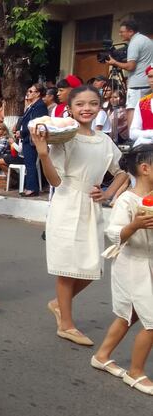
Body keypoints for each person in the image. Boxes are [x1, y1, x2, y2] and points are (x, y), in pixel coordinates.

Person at [33, 86, 129, 346]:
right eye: (80, 104)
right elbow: (55, 180)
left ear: (100, 107)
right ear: (70, 108)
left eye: (93, 103)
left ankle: (57, 305)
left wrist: (108, 194)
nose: (87, 108)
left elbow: (122, 171)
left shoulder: (104, 140)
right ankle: (66, 323)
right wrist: (43, 153)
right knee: (68, 268)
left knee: (91, 268)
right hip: (67, 205)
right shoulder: (64, 139)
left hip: (91, 207)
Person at [92, 145, 153, 394]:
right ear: (145, 169)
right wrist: (136, 224)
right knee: (152, 321)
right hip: (132, 263)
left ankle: (102, 355)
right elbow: (115, 233)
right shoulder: (127, 200)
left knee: (130, 314)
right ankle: (136, 371)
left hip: (150, 263)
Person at [107, 20, 153, 113]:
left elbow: (130, 66)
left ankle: (132, 128)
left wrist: (114, 62)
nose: (120, 34)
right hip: (147, 83)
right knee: (144, 112)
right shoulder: (146, 40)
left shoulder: (134, 42)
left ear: (131, 32)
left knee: (132, 111)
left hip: (137, 85)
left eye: (122, 32)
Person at [14, 83, 49, 196]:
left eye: (31, 91)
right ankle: (29, 186)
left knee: (30, 163)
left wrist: (22, 132)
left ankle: (32, 188)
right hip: (27, 137)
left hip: (32, 138)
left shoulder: (39, 106)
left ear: (38, 93)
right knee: (29, 163)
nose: (28, 93)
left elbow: (35, 124)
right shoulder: (32, 105)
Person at [129, 65, 153, 146]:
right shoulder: (142, 103)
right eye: (150, 77)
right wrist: (150, 134)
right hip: (147, 153)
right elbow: (132, 133)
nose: (152, 80)